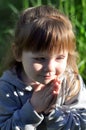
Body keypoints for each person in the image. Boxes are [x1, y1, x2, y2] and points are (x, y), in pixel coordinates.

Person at [0, 5, 86, 130]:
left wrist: (52, 112)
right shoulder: (6, 89)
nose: (50, 68)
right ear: (18, 53)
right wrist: (33, 108)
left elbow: (82, 122)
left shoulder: (71, 82)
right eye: (40, 59)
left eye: (60, 58)